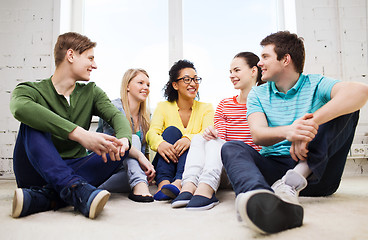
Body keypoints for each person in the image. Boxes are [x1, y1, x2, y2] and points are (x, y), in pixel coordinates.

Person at [221, 31, 368, 234]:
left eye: (265, 57)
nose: (260, 63)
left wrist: (309, 125)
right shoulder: (258, 93)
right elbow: (258, 134)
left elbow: (360, 92)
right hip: (273, 172)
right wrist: (291, 131)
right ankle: (259, 199)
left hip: (316, 173)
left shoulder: (316, 83)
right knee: (231, 147)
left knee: (347, 109)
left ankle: (293, 181)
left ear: (285, 59)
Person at [9, 32, 132, 219]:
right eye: (90, 58)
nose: (95, 65)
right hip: (34, 171)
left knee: (118, 150)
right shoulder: (30, 90)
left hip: (74, 166)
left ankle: (44, 198)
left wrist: (124, 139)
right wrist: (79, 134)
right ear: (71, 55)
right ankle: (75, 188)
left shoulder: (92, 92)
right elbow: (19, 108)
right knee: (32, 121)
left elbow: (116, 115)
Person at [171, 52, 263, 210]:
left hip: (247, 166)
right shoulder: (224, 104)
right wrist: (211, 133)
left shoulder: (265, 102)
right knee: (201, 138)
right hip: (222, 167)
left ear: (253, 71)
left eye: (236, 70)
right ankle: (189, 186)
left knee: (218, 143)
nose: (232, 75)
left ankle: (206, 188)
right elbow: (219, 139)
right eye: (230, 72)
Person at [146, 59, 214, 201]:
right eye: (187, 79)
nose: (193, 83)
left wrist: (188, 139)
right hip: (168, 160)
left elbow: (208, 132)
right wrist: (160, 144)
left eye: (196, 79)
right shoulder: (163, 106)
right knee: (171, 131)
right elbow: (152, 133)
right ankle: (163, 184)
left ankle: (178, 183)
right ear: (175, 85)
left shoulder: (206, 108)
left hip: (192, 165)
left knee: (193, 141)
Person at [97, 68, 155, 202]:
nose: (145, 87)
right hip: (106, 163)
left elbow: (144, 150)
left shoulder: (146, 117)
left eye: (148, 85)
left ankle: (94, 188)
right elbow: (114, 145)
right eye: (140, 83)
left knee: (137, 172)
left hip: (128, 169)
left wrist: (147, 169)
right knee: (132, 138)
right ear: (127, 85)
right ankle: (140, 185)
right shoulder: (113, 108)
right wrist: (141, 157)